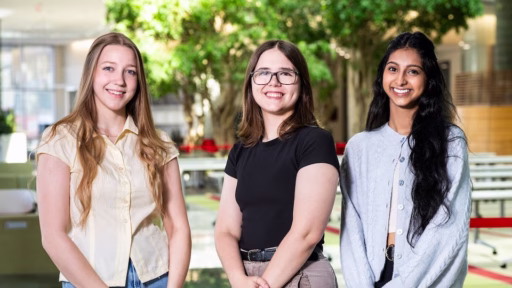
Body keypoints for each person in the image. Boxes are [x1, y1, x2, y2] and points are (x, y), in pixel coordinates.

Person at [36, 32, 191, 288]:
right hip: (86, 281)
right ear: (92, 74)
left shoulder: (158, 143)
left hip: (156, 278)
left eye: (130, 72)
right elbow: (53, 236)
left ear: (138, 81)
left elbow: (179, 228)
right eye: (109, 68)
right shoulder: (59, 139)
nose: (119, 80)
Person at [340, 31, 471, 288]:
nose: (400, 79)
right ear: (382, 76)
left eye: (412, 71)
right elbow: (351, 231)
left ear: (428, 79)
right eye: (393, 69)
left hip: (427, 281)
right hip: (372, 279)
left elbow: (448, 229)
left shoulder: (451, 142)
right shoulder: (359, 148)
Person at [214, 40, 340, 288]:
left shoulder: (315, 141)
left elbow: (306, 233)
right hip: (247, 276)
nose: (274, 82)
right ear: (251, 84)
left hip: (300, 274)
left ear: (301, 84)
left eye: (285, 74)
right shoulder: (240, 152)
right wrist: (238, 279)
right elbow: (225, 230)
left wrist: (265, 284)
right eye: (263, 73)